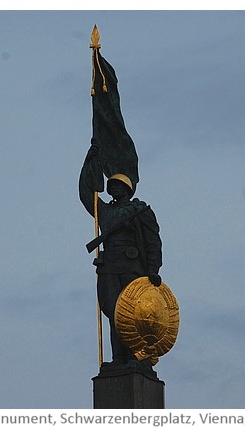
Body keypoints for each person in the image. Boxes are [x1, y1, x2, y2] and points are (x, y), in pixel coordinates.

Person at [79, 140, 163, 367]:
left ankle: (138, 356)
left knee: (133, 313)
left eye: (117, 184)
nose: (112, 187)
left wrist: (153, 269)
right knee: (114, 313)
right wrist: (90, 162)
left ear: (126, 188)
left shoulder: (139, 210)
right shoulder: (105, 212)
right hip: (109, 266)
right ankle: (118, 359)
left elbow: (153, 241)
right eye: (111, 184)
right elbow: (87, 194)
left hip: (132, 265)